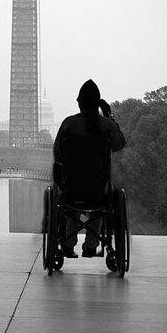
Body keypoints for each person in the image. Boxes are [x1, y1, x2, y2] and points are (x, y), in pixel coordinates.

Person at [53, 79, 126, 258]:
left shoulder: (69, 124)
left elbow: (59, 154)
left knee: (69, 205)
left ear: (79, 103)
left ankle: (68, 244)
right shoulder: (107, 126)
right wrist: (110, 118)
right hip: (98, 189)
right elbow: (119, 145)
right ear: (97, 103)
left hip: (73, 187)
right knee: (100, 204)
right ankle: (91, 245)